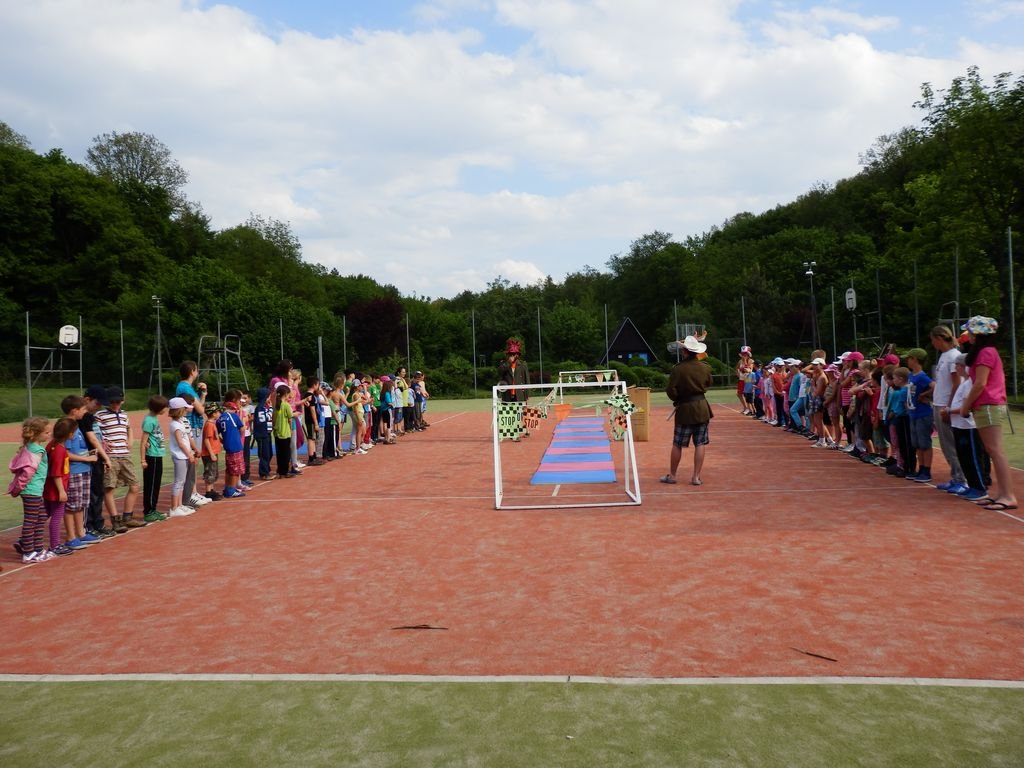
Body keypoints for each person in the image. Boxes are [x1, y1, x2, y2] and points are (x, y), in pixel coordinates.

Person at [959, 316, 1017, 511]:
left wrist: (965, 405)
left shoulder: (985, 353)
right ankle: (1002, 493)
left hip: (988, 404)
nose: (969, 335)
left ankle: (1008, 495)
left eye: (971, 332)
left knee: (995, 450)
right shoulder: (986, 352)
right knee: (992, 450)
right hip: (986, 405)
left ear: (979, 334)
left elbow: (980, 383)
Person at [662, 335, 713, 486]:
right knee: (700, 443)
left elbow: (671, 390)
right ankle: (696, 477)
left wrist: (678, 399)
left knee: (678, 443)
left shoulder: (678, 369)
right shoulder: (705, 367)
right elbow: (708, 383)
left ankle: (672, 475)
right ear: (696, 352)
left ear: (684, 352)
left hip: (684, 410)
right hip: (702, 408)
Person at [96, 386, 145, 532]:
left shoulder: (124, 415)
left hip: (125, 454)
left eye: (118, 401)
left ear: (122, 401)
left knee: (134, 485)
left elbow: (128, 428)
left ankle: (127, 517)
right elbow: (96, 433)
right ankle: (115, 520)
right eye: (112, 402)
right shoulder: (100, 415)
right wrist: (103, 443)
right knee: (109, 487)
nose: (115, 404)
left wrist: (130, 441)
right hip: (110, 456)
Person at [929, 326, 967, 492]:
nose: (932, 343)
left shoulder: (954, 356)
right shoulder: (944, 356)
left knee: (951, 444)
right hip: (939, 403)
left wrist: (949, 407)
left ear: (939, 338)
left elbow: (957, 383)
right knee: (946, 444)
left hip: (946, 405)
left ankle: (962, 479)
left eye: (932, 339)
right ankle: (955, 476)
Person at [60, 394, 99, 549]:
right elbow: (64, 453)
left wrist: (89, 456)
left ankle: (81, 533)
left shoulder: (76, 425)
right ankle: (71, 537)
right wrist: (87, 459)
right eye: (82, 409)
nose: (85, 412)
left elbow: (79, 448)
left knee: (82, 504)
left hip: (84, 470)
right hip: (74, 471)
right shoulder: (66, 426)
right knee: (72, 506)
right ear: (74, 410)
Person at [11, 417, 51, 562]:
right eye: (47, 432)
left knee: (40, 517)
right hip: (32, 491)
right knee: (31, 520)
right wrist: (19, 488)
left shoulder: (28, 447)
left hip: (35, 490)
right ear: (36, 433)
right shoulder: (37, 450)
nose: (49, 435)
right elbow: (28, 472)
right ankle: (28, 552)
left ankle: (38, 549)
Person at [176, 361, 211, 510]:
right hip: (191, 426)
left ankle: (194, 492)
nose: (197, 372)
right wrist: (200, 401)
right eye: (196, 370)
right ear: (192, 371)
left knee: (194, 461)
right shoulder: (185, 387)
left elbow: (199, 407)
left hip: (193, 424)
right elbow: (201, 410)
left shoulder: (187, 387)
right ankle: (189, 495)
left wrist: (202, 394)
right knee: (193, 460)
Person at [44, 417, 77, 556]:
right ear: (69, 434)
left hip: (49, 488)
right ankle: (55, 545)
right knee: (57, 517)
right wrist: (62, 491)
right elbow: (56, 473)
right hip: (56, 490)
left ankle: (24, 539)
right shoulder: (59, 450)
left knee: (42, 515)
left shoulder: (51, 445)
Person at [903, 348, 935, 483]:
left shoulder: (922, 376)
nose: (907, 361)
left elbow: (934, 385)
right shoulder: (911, 375)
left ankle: (926, 470)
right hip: (913, 412)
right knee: (917, 443)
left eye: (909, 358)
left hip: (923, 413)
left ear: (915, 359)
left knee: (924, 443)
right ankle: (921, 468)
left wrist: (924, 394)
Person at [140, 394, 169, 522]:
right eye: (164, 407)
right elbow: (143, 442)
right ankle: (148, 511)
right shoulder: (149, 421)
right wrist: (143, 460)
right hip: (152, 456)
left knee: (156, 484)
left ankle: (153, 508)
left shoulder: (154, 419)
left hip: (158, 455)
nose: (166, 409)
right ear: (159, 408)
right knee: (151, 485)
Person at [167, 397, 196, 517]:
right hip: (180, 456)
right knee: (179, 482)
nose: (186, 410)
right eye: (184, 408)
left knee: (182, 481)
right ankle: (174, 507)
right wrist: (189, 454)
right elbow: (180, 442)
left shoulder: (179, 423)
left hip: (182, 455)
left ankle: (179, 505)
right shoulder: (176, 425)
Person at [218, 389, 246, 497]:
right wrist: (239, 438)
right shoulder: (233, 416)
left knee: (229, 468)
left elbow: (217, 433)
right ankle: (231, 489)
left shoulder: (221, 417)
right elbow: (242, 428)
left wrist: (223, 440)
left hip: (228, 445)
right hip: (235, 445)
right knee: (235, 469)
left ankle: (227, 487)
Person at [200, 401, 223, 500]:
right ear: (213, 413)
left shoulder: (212, 424)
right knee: (210, 472)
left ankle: (212, 490)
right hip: (209, 453)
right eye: (218, 412)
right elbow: (206, 439)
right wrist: (211, 453)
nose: (219, 414)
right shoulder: (209, 425)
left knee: (214, 472)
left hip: (213, 452)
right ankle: (208, 492)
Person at [251, 387, 275, 479]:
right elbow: (264, 418)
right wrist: (271, 409)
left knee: (269, 453)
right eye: (268, 396)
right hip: (262, 434)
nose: (269, 398)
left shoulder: (264, 407)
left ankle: (266, 470)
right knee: (264, 454)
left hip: (267, 433)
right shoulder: (260, 407)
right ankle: (263, 473)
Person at [273, 383, 296, 477]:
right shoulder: (286, 405)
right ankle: (285, 471)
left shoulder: (276, 404)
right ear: (286, 394)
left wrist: (274, 426)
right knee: (286, 453)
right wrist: (290, 430)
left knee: (279, 453)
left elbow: (273, 418)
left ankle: (280, 470)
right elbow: (290, 418)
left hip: (277, 432)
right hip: (285, 432)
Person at [735, 346, 753, 414]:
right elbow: (736, 368)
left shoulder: (751, 361)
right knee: (739, 394)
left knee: (747, 394)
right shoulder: (740, 361)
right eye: (743, 353)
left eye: (745, 353)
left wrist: (745, 360)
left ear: (748, 354)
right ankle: (745, 407)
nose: (743, 355)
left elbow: (749, 369)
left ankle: (750, 409)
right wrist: (738, 374)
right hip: (741, 379)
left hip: (748, 380)